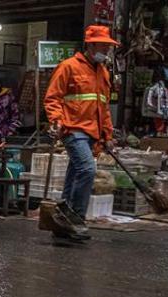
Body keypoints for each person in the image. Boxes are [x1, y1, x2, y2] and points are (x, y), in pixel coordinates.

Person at [44, 25, 116, 228]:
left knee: (76, 172)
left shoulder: (103, 73)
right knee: (87, 169)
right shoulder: (69, 66)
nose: (108, 50)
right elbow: (52, 97)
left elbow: (104, 107)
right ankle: (76, 216)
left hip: (92, 132)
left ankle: (63, 215)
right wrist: (56, 120)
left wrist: (107, 135)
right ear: (91, 45)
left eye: (109, 47)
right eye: (105, 46)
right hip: (72, 129)